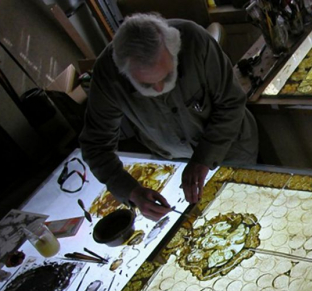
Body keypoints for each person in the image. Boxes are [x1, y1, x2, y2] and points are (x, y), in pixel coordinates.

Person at [80, 13, 258, 220]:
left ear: (174, 50)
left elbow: (231, 103)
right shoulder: (107, 74)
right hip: (174, 162)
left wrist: (203, 158)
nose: (159, 88)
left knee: (249, 209)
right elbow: (95, 146)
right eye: (145, 85)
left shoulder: (195, 40)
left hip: (231, 147)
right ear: (123, 72)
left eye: (167, 76)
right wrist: (132, 191)